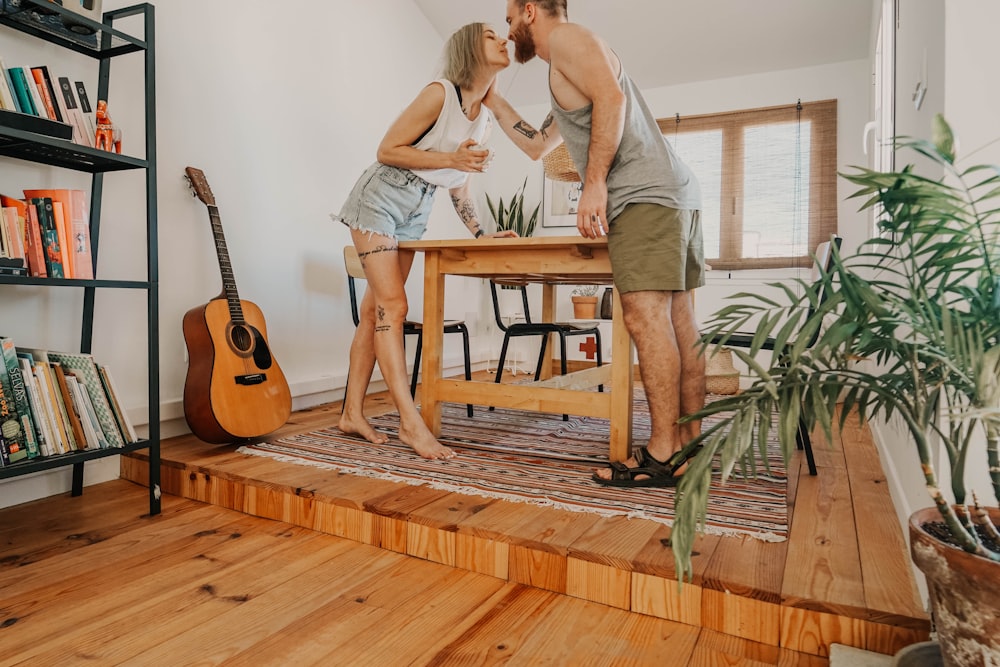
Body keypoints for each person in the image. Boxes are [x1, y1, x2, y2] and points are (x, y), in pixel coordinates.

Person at [485, 0, 706, 486]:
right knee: (678, 319)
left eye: (508, 18)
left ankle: (664, 452)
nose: (507, 29)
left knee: (645, 318)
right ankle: (691, 445)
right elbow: (537, 146)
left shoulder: (568, 39)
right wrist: (493, 100)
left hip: (644, 194)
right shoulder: (565, 64)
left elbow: (613, 99)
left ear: (529, 11)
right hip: (673, 193)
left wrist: (595, 183)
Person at [334, 23, 516, 460]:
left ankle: (351, 414)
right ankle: (409, 422)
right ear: (471, 50)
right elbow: (387, 149)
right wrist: (451, 157)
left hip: (418, 206)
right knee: (394, 308)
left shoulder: (485, 120)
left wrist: (480, 232)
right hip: (381, 196)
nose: (504, 39)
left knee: (372, 313)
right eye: (492, 36)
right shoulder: (439, 93)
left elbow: (457, 184)